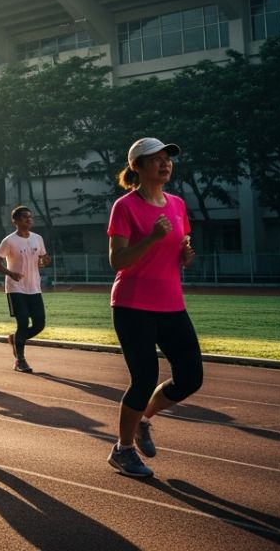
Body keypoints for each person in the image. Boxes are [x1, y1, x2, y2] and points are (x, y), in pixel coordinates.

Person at [105, 138, 202, 478]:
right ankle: (123, 449)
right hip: (133, 304)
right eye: (156, 159)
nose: (165, 164)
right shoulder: (125, 206)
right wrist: (150, 239)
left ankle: (143, 419)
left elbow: (179, 248)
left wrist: (184, 255)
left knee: (191, 377)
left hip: (171, 303)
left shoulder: (176, 204)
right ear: (138, 167)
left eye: (167, 159)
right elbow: (118, 260)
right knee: (144, 377)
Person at [0, 206, 52, 373]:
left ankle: (15, 339)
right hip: (15, 287)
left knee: (39, 324)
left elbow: (40, 261)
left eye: (30, 217)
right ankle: (20, 360)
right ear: (16, 221)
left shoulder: (38, 239)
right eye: (25, 217)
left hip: (34, 287)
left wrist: (44, 261)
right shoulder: (9, 241)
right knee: (23, 323)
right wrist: (10, 273)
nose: (29, 220)